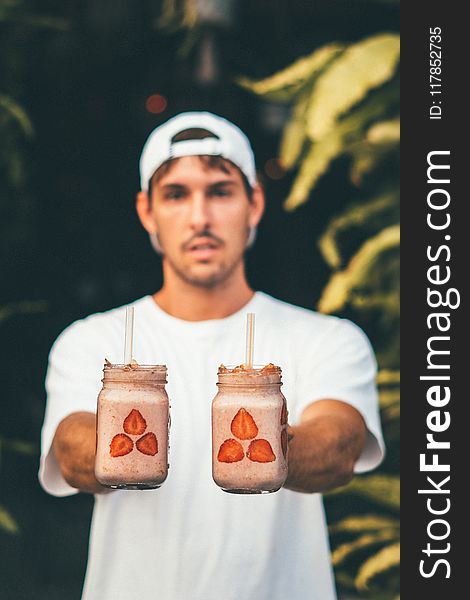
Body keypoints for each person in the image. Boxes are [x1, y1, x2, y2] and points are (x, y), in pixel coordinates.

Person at [39, 111, 385, 600]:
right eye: (176, 194)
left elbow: (340, 447)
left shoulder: (327, 339)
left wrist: (262, 444)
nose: (200, 217)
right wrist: (123, 441)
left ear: (255, 203)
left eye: (220, 191)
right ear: (146, 211)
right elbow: (72, 453)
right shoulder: (92, 341)